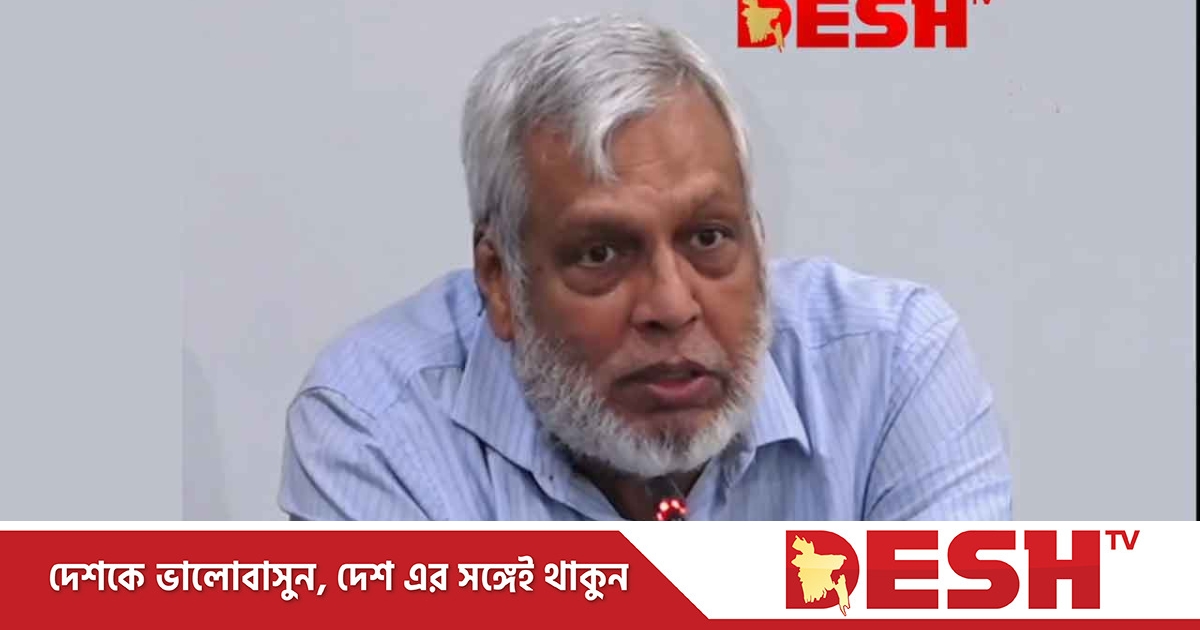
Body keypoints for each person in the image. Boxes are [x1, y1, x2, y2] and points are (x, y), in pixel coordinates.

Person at [277, 15, 1012, 521]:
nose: (671, 305)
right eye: (601, 253)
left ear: (758, 242)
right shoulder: (376, 426)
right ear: (500, 280)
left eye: (709, 238)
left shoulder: (889, 366)